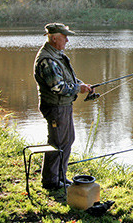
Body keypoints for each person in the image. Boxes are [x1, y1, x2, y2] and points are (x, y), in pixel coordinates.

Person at [33, 23, 93, 189]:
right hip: (55, 107)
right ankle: (51, 181)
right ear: (54, 38)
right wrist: (77, 89)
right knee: (58, 142)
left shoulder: (57, 55)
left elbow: (68, 79)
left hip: (63, 105)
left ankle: (60, 176)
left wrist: (82, 85)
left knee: (67, 140)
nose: (67, 40)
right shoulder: (47, 59)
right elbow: (57, 87)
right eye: (64, 36)